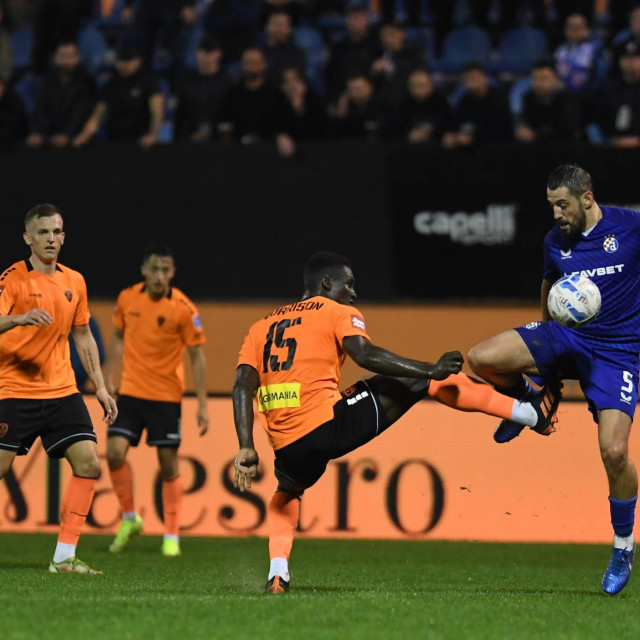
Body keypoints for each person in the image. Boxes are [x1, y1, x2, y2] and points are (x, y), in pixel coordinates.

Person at [233, 251, 558, 594]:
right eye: (349, 284)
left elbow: (242, 385)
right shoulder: (336, 311)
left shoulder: (260, 327)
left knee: (288, 491)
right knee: (421, 381)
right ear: (327, 283)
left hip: (287, 446)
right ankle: (529, 413)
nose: (353, 293)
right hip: (328, 423)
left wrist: (245, 445)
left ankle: (278, 575)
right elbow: (366, 355)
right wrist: (429, 370)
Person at [467, 164, 640, 596]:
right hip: (565, 336)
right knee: (481, 358)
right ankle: (530, 404)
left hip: (618, 352)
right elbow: (549, 285)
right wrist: (546, 349)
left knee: (615, 452)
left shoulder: (630, 227)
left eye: (563, 205)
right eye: (551, 206)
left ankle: (622, 546)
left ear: (587, 198)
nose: (557, 214)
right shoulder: (553, 242)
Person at [0, 203, 117, 574]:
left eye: (57, 232)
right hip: (15, 390)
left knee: (88, 463)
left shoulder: (75, 282)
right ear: (27, 238)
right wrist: (19, 318)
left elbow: (82, 335)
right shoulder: (12, 279)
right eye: (43, 232)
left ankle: (64, 558)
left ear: (63, 236)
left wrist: (99, 387)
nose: (51, 239)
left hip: (62, 391)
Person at [104, 244, 209, 557]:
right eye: (155, 269)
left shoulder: (184, 308)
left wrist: (202, 403)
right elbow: (118, 337)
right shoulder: (127, 299)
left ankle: (172, 535)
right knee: (113, 453)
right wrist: (109, 375)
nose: (160, 275)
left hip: (165, 396)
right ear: (144, 270)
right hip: (131, 391)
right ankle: (129, 518)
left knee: (167, 465)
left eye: (166, 270)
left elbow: (197, 356)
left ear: (172, 273)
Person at [73, 42, 163, 148]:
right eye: (121, 61)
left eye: (129, 61)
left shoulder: (149, 81)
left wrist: (153, 135)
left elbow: (157, 112)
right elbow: (98, 114)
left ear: (138, 61)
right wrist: (84, 135)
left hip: (140, 141)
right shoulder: (111, 83)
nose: (125, 65)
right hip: (115, 140)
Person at [26, 40, 97, 149]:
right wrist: (37, 132)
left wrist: (67, 134)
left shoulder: (87, 81)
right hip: (50, 137)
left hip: (77, 139)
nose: (65, 60)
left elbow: (81, 111)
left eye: (69, 56)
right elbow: (41, 108)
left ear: (78, 58)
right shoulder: (47, 79)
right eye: (62, 55)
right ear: (55, 57)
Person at [174, 34, 230, 142]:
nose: (207, 55)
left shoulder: (228, 82)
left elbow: (229, 114)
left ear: (219, 53)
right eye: (204, 51)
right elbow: (181, 115)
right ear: (197, 53)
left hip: (220, 140)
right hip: (190, 140)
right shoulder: (187, 82)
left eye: (212, 51)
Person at [442, 62, 512, 149]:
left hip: (497, 149)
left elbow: (503, 130)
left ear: (484, 78)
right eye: (468, 79)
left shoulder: (499, 98)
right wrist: (453, 135)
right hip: (469, 151)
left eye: (474, 78)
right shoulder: (464, 101)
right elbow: (456, 124)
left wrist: (473, 138)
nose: (471, 82)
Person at [514, 60, 582, 144]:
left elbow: (566, 132)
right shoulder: (528, 98)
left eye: (544, 78)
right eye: (535, 78)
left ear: (555, 79)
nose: (538, 83)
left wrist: (536, 135)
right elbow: (526, 123)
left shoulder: (567, 99)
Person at [594, 48, 640, 148]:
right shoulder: (609, 88)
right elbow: (599, 117)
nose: (630, 61)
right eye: (626, 57)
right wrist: (610, 140)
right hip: (612, 145)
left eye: (635, 57)